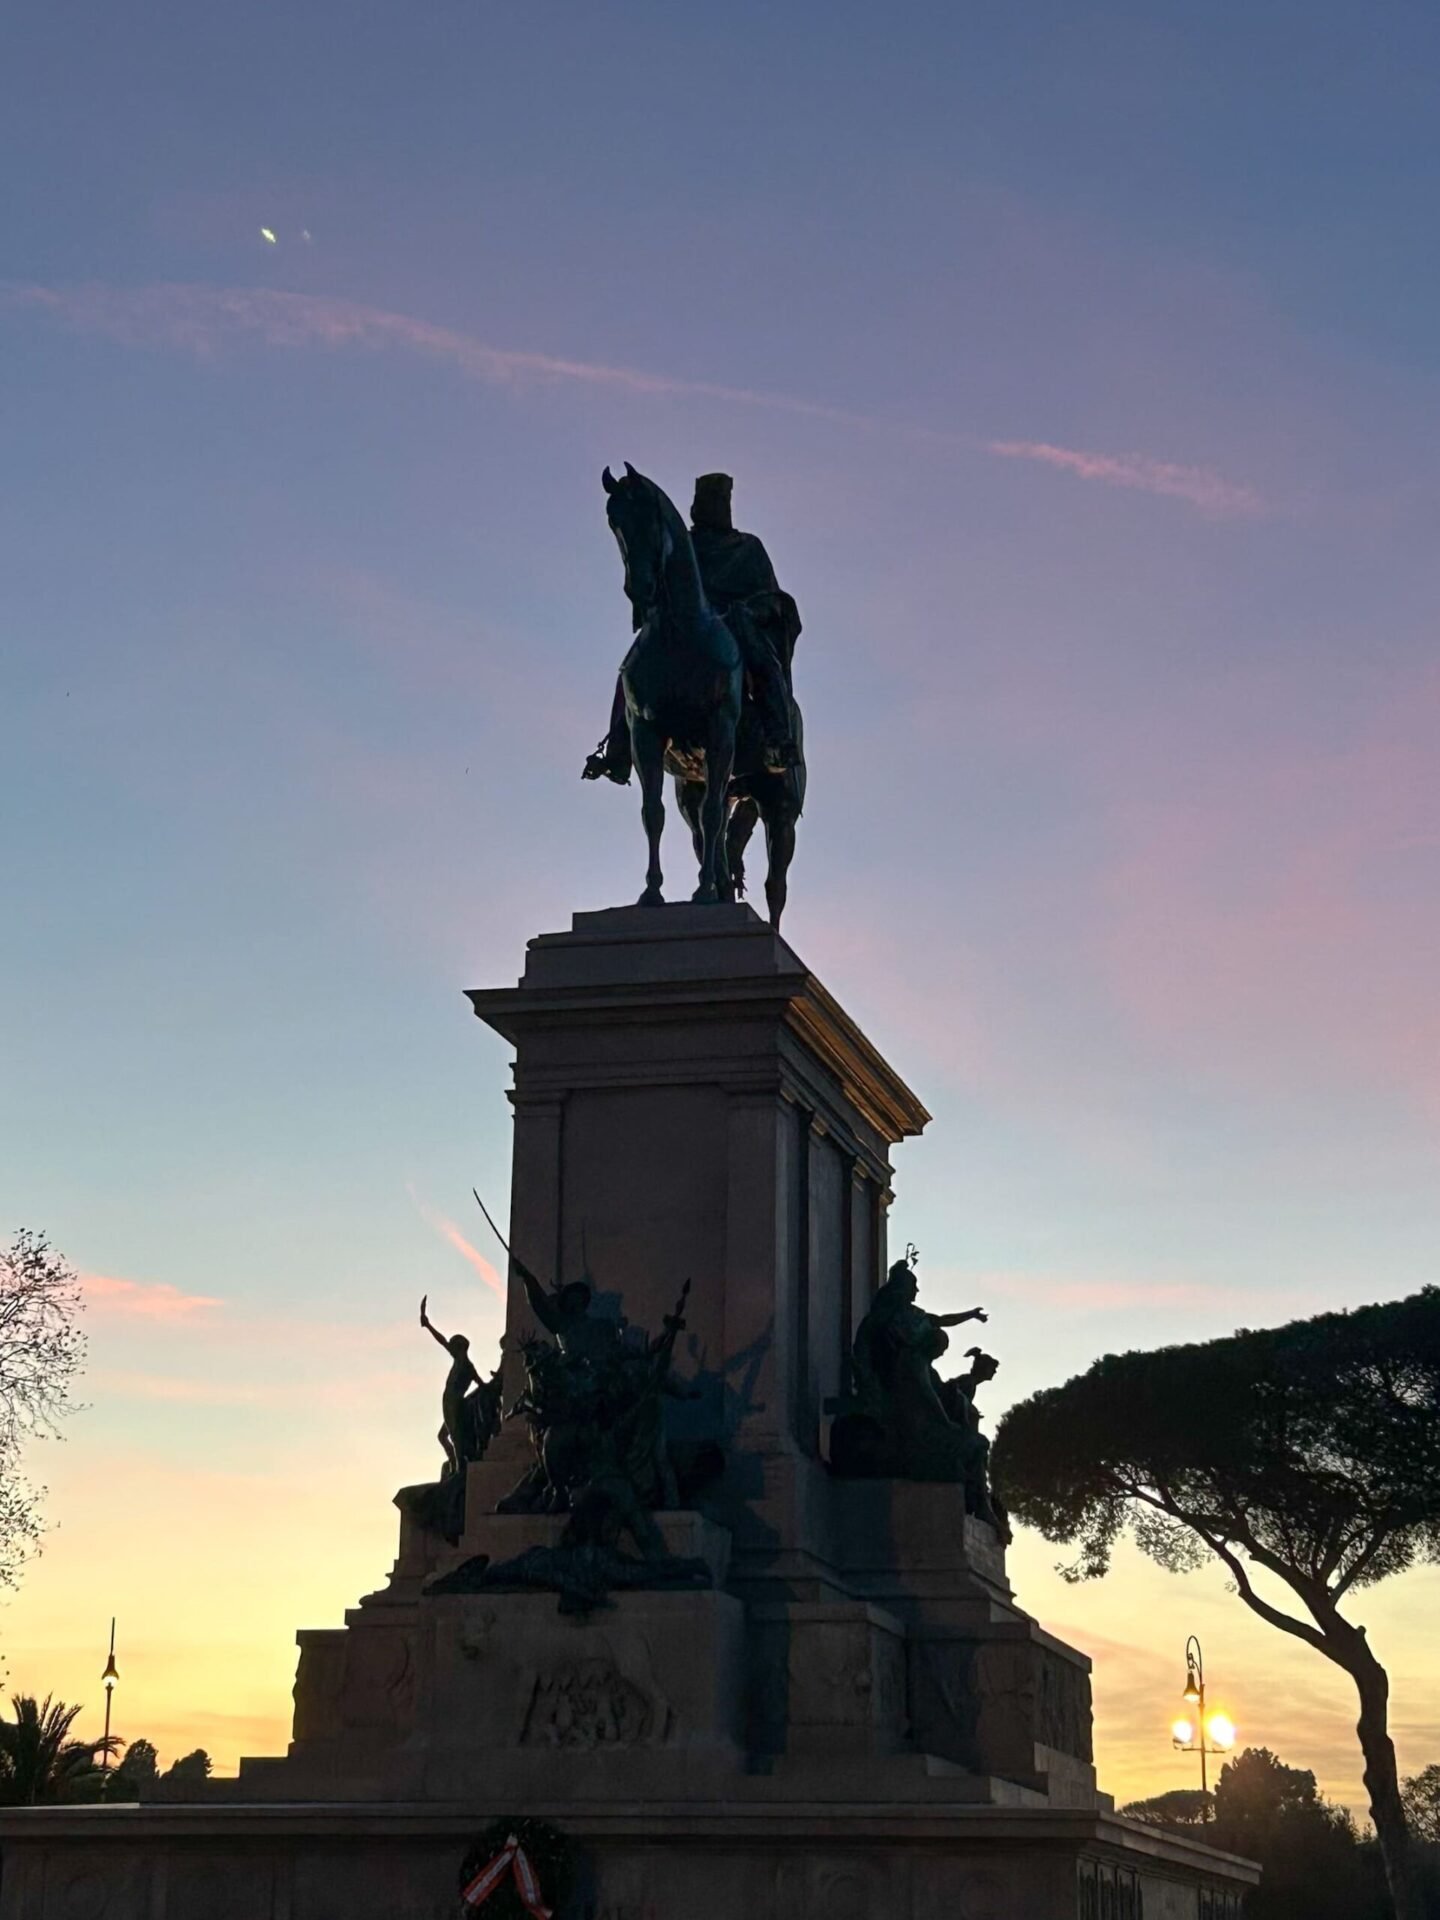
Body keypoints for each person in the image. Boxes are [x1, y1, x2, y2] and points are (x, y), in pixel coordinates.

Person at [583, 473, 801, 784]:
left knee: (761, 655)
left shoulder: (748, 548)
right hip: (685, 627)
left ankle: (777, 737)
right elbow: (661, 580)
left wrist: (752, 610)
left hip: (734, 625)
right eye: (706, 501)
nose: (711, 508)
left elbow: (770, 595)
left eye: (718, 501)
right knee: (632, 667)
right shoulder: (685, 543)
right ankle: (619, 749)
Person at [419, 1294, 500, 1477]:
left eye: (453, 1345)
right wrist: (428, 1324)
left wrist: (497, 1381)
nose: (450, 1347)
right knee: (443, 1436)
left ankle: (458, 1469)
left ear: (460, 1347)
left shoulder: (465, 1365)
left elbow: (482, 1385)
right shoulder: (460, 1362)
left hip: (454, 1403)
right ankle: (455, 1463)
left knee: (455, 1436)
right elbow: (442, 1341)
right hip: (448, 1401)